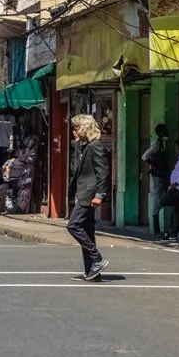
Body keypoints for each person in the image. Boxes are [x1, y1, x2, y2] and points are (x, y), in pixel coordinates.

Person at [66, 114, 110, 281]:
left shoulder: (95, 146)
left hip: (89, 195)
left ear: (84, 128)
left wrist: (100, 194)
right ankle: (92, 271)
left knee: (73, 225)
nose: (73, 131)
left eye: (76, 128)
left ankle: (97, 259)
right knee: (87, 232)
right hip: (84, 194)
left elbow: (102, 172)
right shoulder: (86, 147)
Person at [141, 122, 172, 231]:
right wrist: (154, 165)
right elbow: (144, 156)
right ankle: (156, 228)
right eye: (164, 131)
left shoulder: (163, 143)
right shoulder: (156, 145)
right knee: (158, 198)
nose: (166, 133)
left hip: (164, 174)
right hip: (158, 175)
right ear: (159, 133)